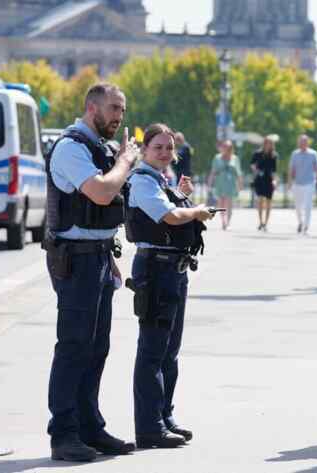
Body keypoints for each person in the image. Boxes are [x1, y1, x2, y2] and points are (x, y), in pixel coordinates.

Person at [43, 83, 139, 462]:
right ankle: (63, 433)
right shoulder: (71, 148)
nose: (119, 116)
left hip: (97, 257)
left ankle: (89, 426)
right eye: (113, 108)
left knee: (96, 347)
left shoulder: (101, 149)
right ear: (91, 107)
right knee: (73, 346)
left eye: (122, 110)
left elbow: (107, 208)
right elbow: (101, 193)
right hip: (76, 260)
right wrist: (125, 162)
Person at [125, 123, 215, 448]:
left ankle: (164, 416)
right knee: (152, 350)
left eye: (169, 148)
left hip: (174, 270)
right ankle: (149, 427)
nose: (164, 153)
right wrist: (196, 211)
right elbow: (170, 218)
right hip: (156, 269)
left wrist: (184, 197)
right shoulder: (142, 181)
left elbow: (174, 211)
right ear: (145, 150)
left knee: (170, 352)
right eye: (158, 147)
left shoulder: (161, 181)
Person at [288, 135, 317, 235]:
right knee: (298, 206)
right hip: (297, 183)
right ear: (298, 143)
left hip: (309, 183)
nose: (302, 144)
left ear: (307, 143)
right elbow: (291, 169)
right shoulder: (294, 154)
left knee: (308, 205)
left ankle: (306, 226)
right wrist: (289, 182)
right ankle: (300, 222)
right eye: (300, 142)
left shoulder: (313, 154)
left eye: (304, 142)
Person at [207, 140, 243, 230]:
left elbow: (238, 173)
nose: (227, 149)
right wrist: (209, 184)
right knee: (221, 203)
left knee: (229, 203)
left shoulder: (235, 158)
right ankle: (223, 221)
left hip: (231, 183)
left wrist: (240, 184)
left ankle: (228, 222)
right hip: (220, 183)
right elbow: (213, 172)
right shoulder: (217, 158)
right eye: (225, 147)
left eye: (229, 148)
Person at [251, 134, 279, 231]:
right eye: (266, 143)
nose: (268, 145)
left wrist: (275, 181)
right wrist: (255, 170)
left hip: (269, 180)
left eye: (270, 143)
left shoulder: (274, 155)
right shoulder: (257, 154)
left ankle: (265, 223)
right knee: (260, 200)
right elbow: (252, 165)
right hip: (259, 179)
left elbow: (274, 170)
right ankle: (260, 222)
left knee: (268, 202)